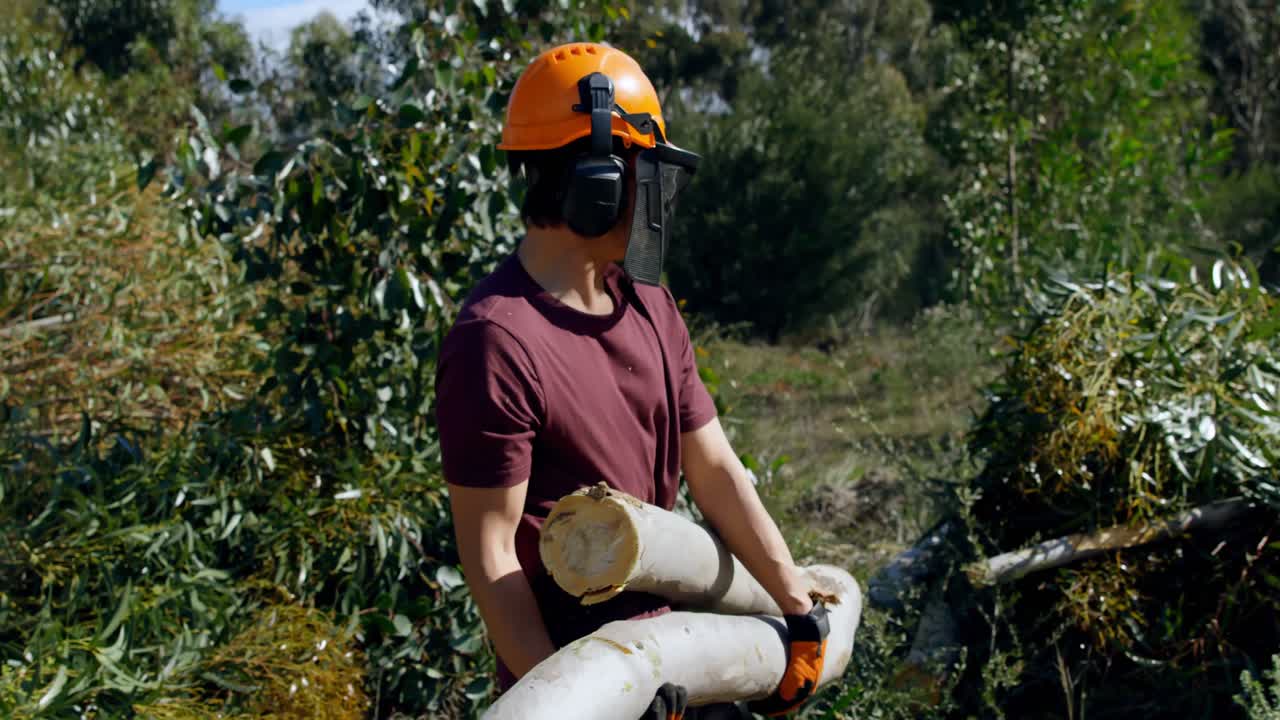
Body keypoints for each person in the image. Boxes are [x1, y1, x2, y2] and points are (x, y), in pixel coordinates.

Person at [435, 42, 828, 719]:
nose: (657, 196)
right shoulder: (496, 339)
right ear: (598, 184)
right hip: (573, 692)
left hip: (675, 662)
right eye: (646, 173)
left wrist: (796, 611)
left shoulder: (650, 305)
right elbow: (492, 561)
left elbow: (716, 471)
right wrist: (593, 700)